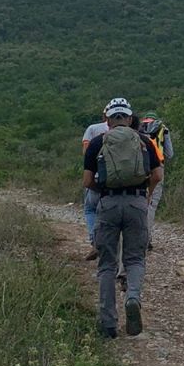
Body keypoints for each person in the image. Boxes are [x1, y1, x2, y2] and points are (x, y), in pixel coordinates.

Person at [83, 98, 163, 338]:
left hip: (108, 203)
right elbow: (158, 175)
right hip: (137, 202)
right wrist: (145, 196)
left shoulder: (97, 142)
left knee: (107, 264)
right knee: (135, 259)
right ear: (129, 119)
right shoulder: (144, 141)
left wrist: (105, 193)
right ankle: (133, 298)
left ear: (107, 120)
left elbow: (87, 182)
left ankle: (108, 324)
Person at [139, 111, 174, 250]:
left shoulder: (137, 126)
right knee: (151, 204)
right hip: (157, 168)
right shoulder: (163, 129)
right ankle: (146, 240)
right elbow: (170, 154)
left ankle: (134, 238)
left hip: (139, 169)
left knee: (138, 201)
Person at [81, 107, 110, 261]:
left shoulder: (92, 129)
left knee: (90, 209)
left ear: (104, 115)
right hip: (118, 183)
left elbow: (86, 152)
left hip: (96, 178)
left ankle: (95, 242)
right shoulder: (131, 132)